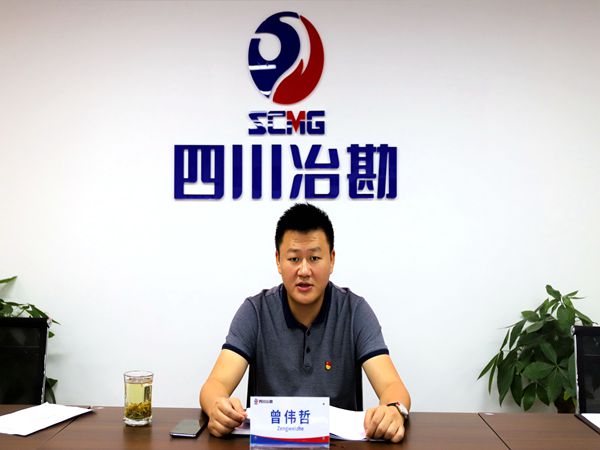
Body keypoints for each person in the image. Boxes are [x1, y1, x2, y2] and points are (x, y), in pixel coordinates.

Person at [199, 203, 410, 442]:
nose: (304, 270)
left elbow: (392, 385)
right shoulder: (256, 311)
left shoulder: (354, 310)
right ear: (278, 261)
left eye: (314, 258)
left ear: (332, 260)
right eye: (294, 258)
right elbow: (215, 384)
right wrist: (217, 407)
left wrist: (393, 410)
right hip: (270, 445)